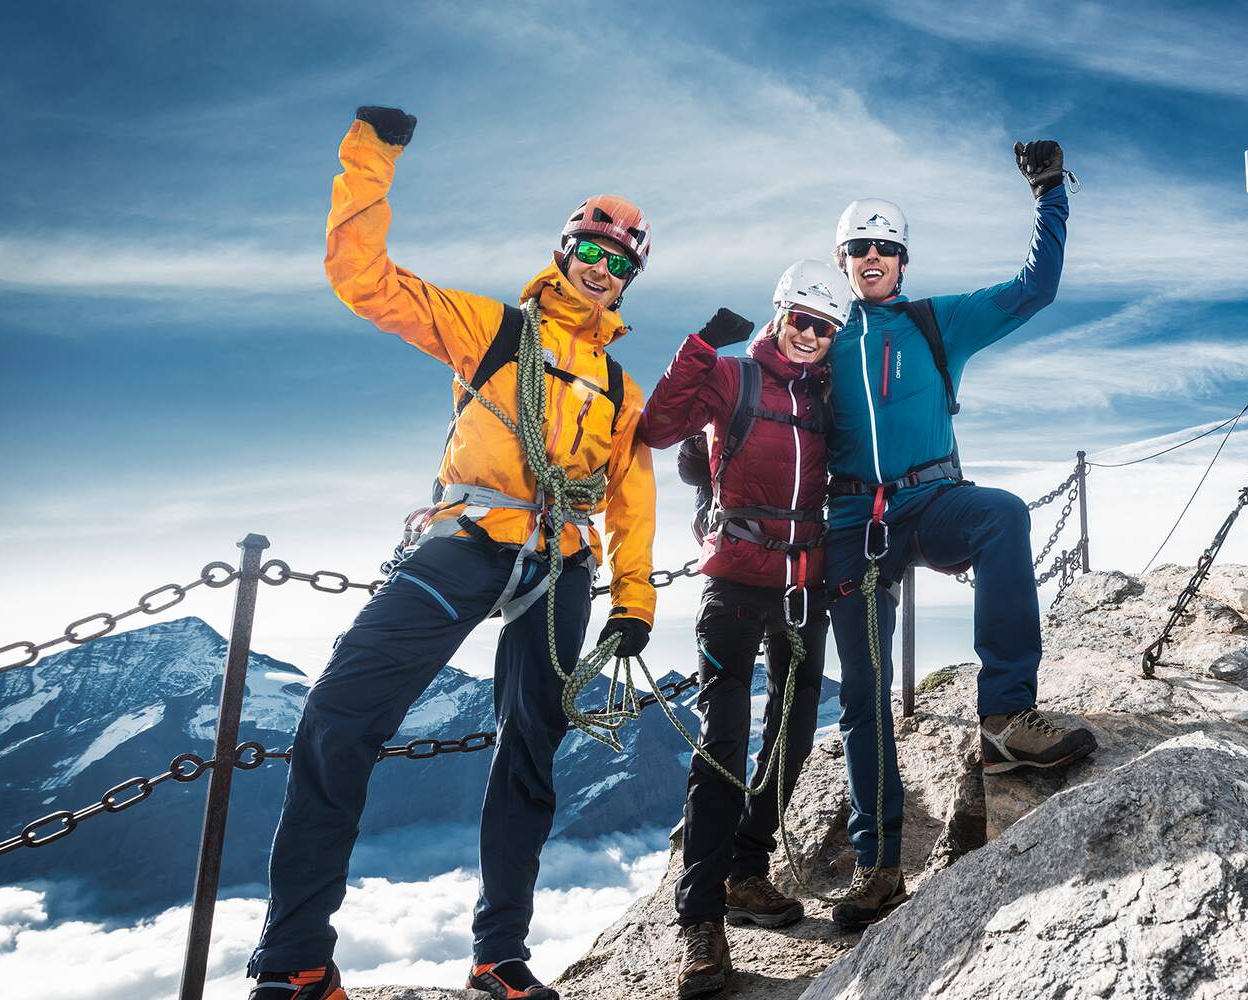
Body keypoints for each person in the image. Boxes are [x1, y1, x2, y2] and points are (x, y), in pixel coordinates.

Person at [246, 106, 658, 1000]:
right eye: (591, 250)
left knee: (530, 755)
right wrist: (371, 156)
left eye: (620, 263)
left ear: (630, 282)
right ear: (563, 252)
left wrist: (635, 603)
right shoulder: (493, 332)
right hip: (468, 540)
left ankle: (499, 957)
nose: (602, 270)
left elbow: (631, 500)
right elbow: (363, 279)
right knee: (338, 717)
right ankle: (296, 960)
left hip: (559, 564)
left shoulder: (623, 388)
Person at [820, 141, 1098, 929]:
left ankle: (1006, 719)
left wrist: (1049, 193)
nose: (872, 258)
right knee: (866, 695)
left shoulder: (934, 325)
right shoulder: (821, 339)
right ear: (842, 262)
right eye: (858, 248)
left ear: (902, 260)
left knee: (1003, 514)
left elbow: (1034, 288)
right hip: (851, 525)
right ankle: (877, 868)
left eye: (886, 247)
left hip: (933, 502)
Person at [638, 261, 849, 998]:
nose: (811, 336)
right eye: (801, 320)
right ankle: (700, 925)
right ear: (779, 313)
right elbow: (660, 428)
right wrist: (697, 347)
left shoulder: (829, 394)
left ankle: (746, 872)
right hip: (731, 583)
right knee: (722, 745)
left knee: (791, 735)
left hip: (802, 586)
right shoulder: (732, 376)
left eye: (825, 328)